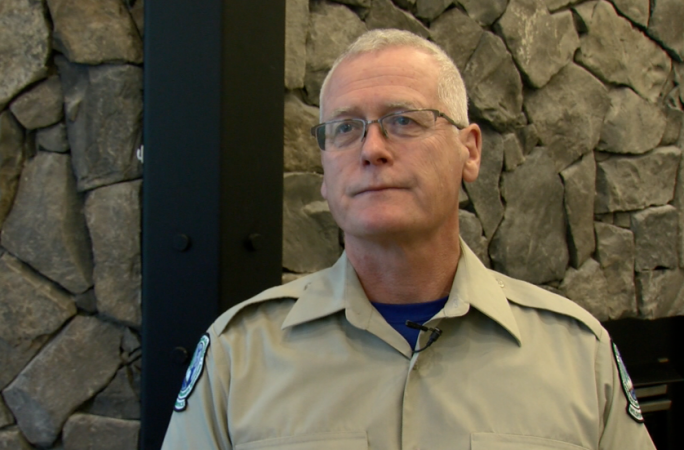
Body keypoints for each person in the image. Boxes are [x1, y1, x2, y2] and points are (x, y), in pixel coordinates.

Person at [161, 29, 657, 450]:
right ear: (324, 171)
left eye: (403, 120)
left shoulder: (578, 356)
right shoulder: (238, 355)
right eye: (345, 128)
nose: (372, 149)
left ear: (470, 151)